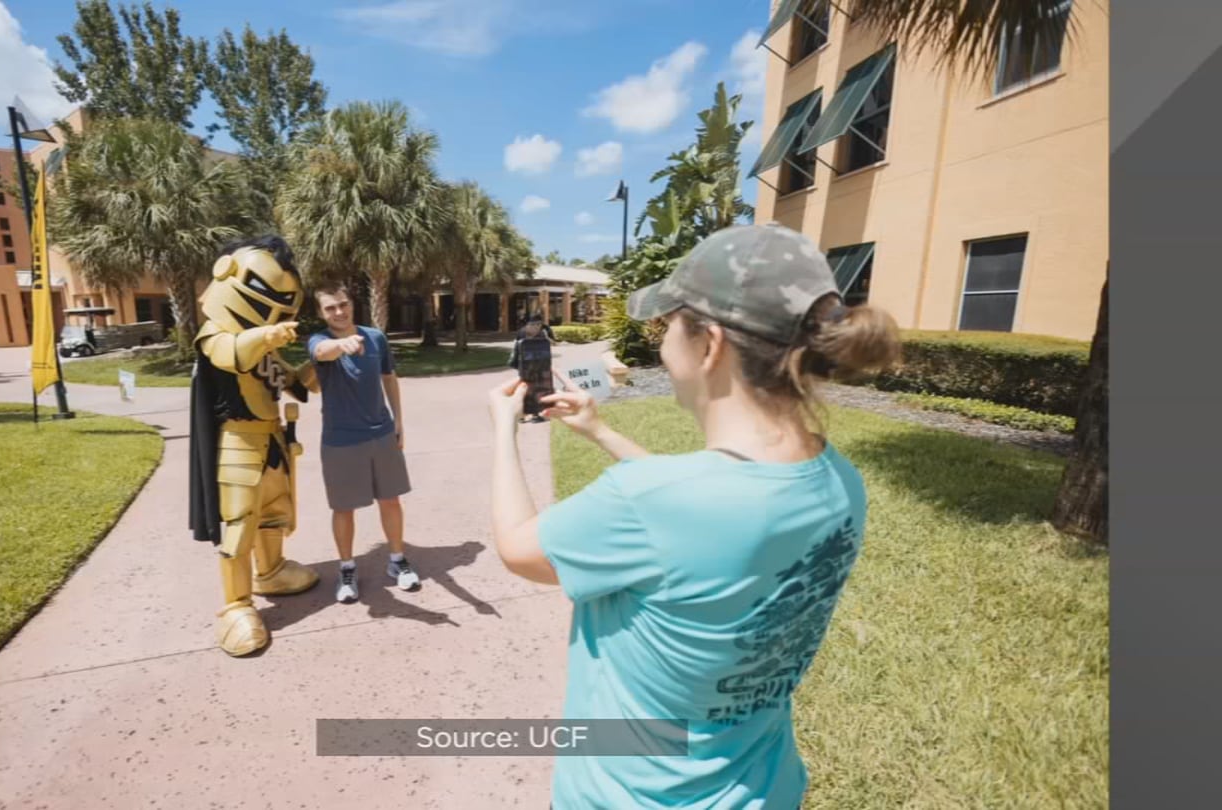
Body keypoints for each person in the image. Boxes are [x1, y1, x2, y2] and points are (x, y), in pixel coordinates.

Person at [487, 223, 901, 808]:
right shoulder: (838, 482)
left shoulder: (654, 501)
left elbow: (517, 548)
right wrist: (601, 431)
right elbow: (699, 517)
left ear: (708, 344)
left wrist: (502, 432)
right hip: (766, 788)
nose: (660, 344)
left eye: (668, 325)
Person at [188, 235, 321, 657]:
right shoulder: (216, 334)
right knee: (239, 524)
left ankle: (272, 570)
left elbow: (294, 384)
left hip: (272, 438)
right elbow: (232, 355)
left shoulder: (265, 345)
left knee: (274, 511)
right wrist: (268, 335)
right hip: (237, 442)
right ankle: (236, 606)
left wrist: (324, 359)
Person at [307, 283, 420, 603]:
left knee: (391, 500)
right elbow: (320, 353)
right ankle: (347, 568)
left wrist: (398, 420)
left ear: (352, 304)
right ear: (320, 312)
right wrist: (343, 344)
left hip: (381, 433)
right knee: (343, 508)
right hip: (340, 439)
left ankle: (397, 561)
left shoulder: (376, 337)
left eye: (343, 304)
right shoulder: (319, 340)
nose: (339, 312)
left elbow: (389, 377)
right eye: (330, 308)